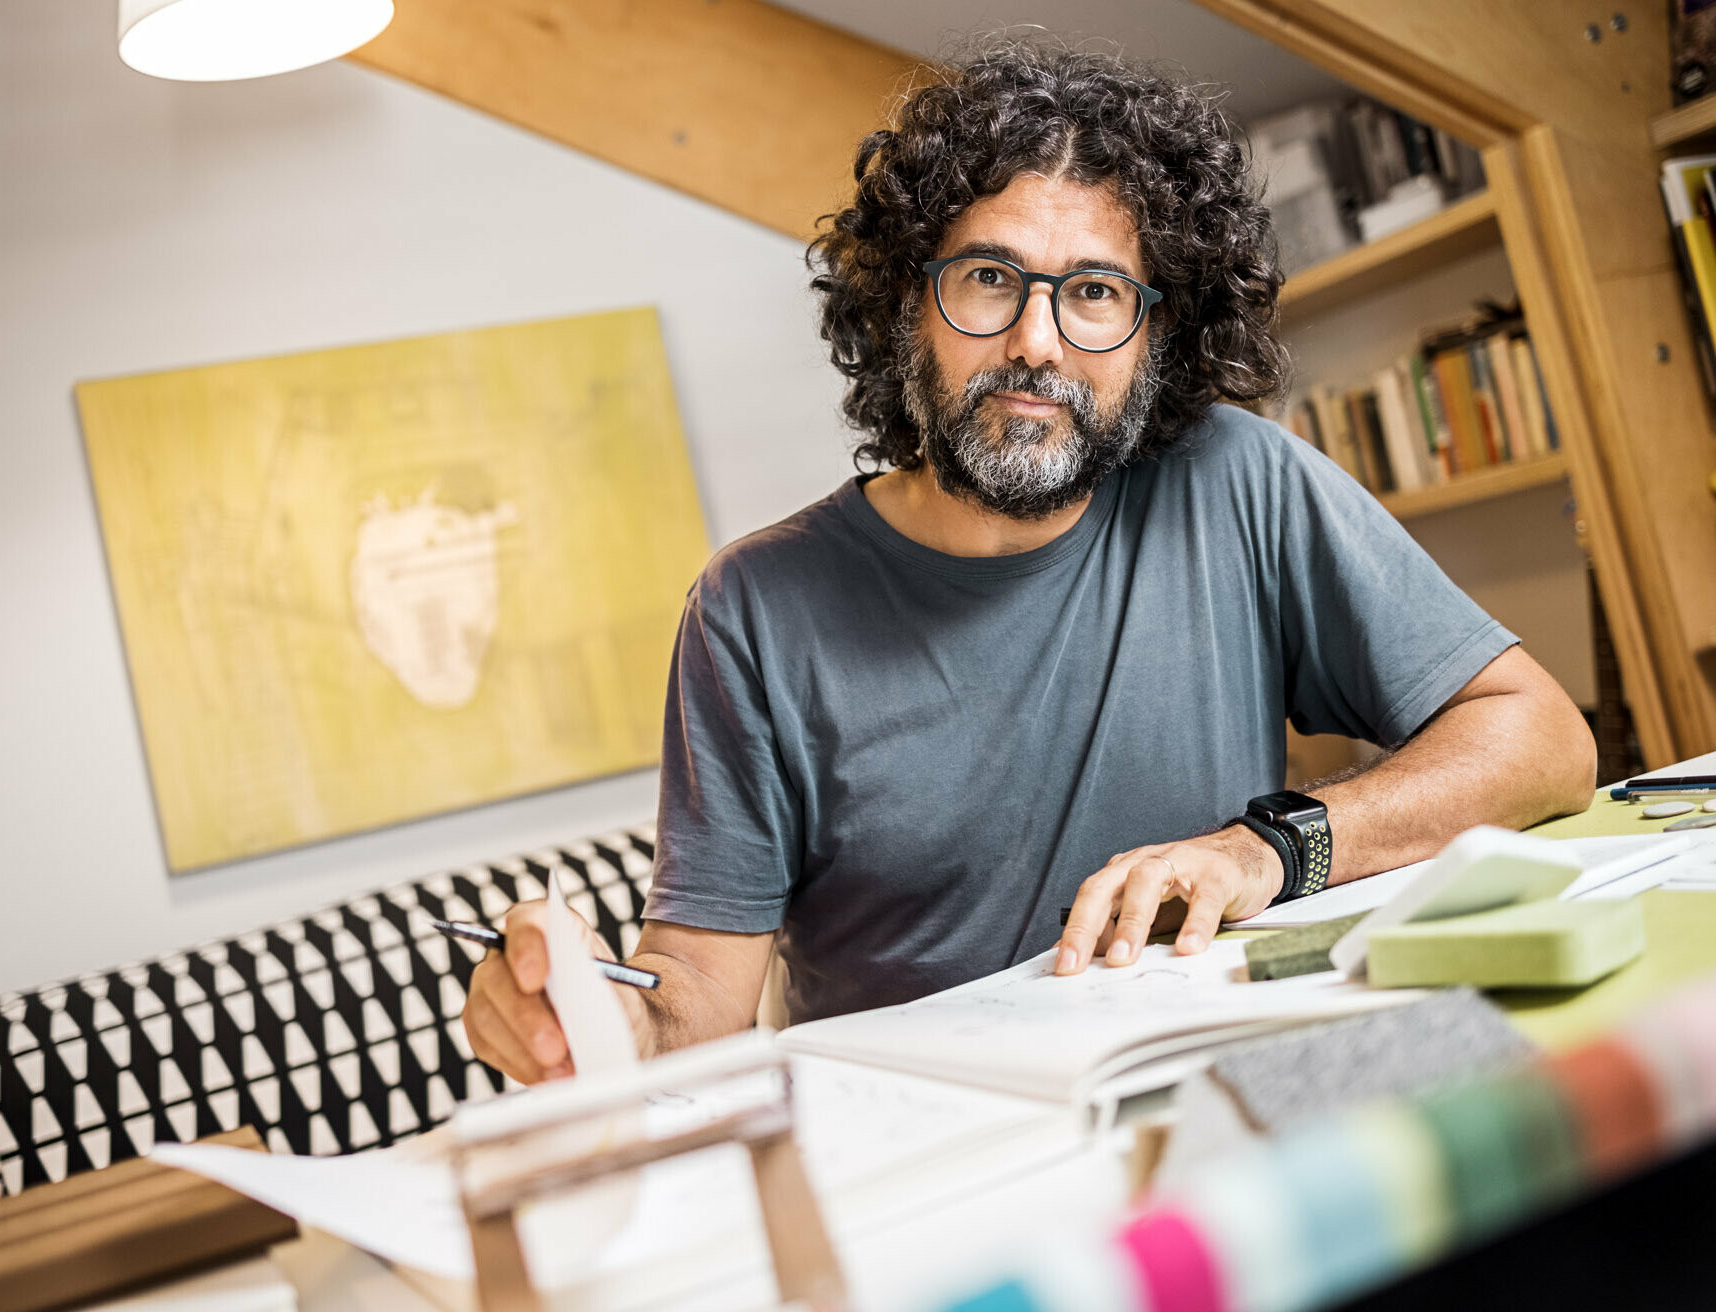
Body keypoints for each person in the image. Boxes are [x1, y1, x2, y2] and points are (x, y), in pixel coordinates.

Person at [462, 41, 1595, 1086]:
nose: (1036, 342)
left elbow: (1541, 739)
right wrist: (586, 1025)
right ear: (908, 303)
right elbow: (698, 1000)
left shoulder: (1237, 481)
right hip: (929, 1157)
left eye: (1094, 292)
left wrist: (1268, 851)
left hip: (1214, 1092)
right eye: (988, 279)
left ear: (1158, 331)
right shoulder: (752, 609)